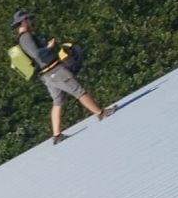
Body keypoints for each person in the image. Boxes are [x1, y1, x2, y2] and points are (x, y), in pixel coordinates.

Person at [11, 12, 112, 143]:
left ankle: (57, 135)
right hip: (53, 70)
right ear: (24, 21)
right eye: (28, 19)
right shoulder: (25, 37)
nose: (31, 21)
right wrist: (49, 47)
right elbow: (36, 54)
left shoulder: (23, 38)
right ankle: (101, 113)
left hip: (47, 74)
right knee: (78, 90)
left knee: (58, 101)